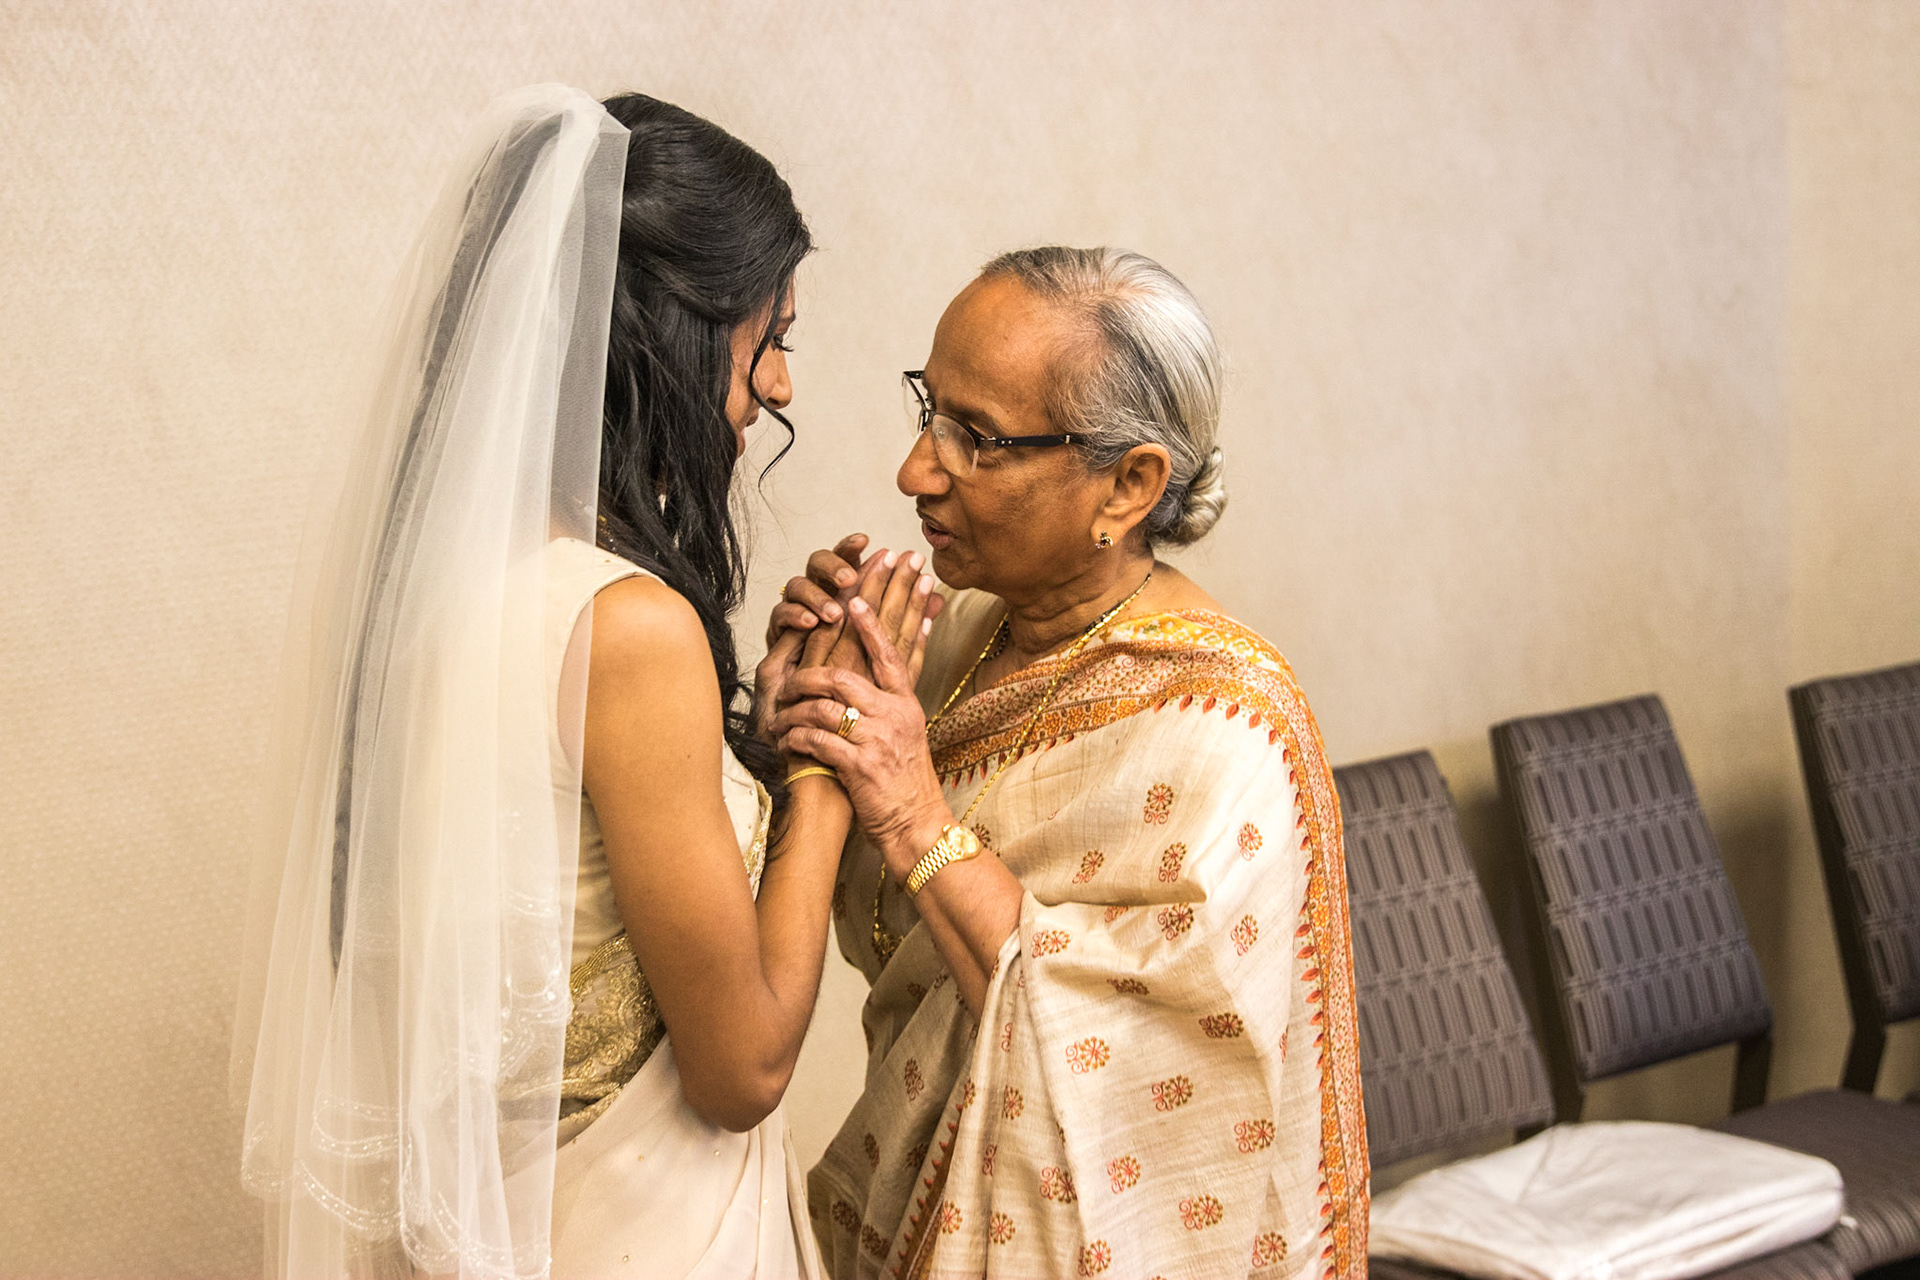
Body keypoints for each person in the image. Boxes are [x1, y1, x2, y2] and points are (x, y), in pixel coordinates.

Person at [232, 85, 934, 1280]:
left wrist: (760, 738)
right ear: (671, 332)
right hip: (645, 1237)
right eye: (770, 337)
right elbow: (744, 1066)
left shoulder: (430, 589)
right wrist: (829, 759)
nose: (779, 387)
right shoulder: (628, 626)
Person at [769, 248, 1370, 1279]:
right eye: (930, 409)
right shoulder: (952, 646)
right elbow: (882, 938)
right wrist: (808, 720)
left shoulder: (1229, 728)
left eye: (976, 439)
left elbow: (1142, 1082)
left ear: (1129, 485)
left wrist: (912, 812)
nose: (915, 470)